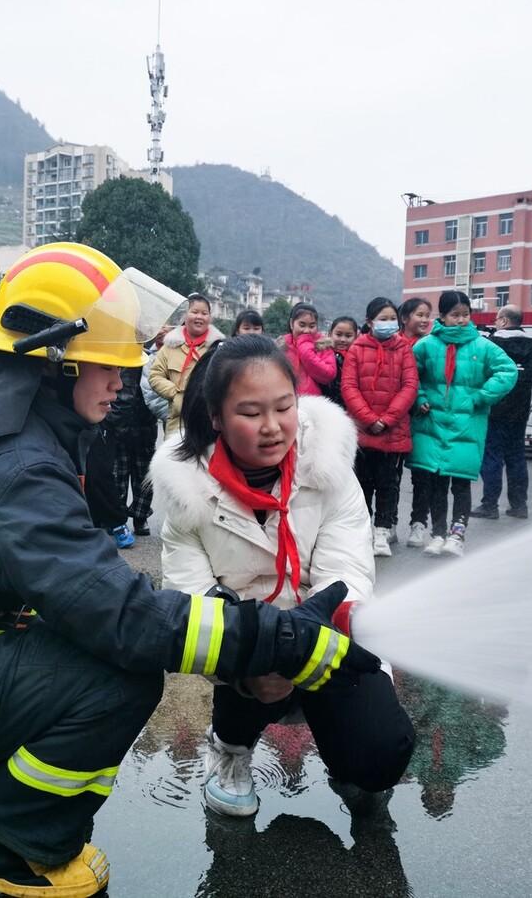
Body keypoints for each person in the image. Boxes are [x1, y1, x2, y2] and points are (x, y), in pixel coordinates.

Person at [0, 243, 378, 898]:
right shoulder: (21, 465)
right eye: (106, 363)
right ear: (53, 365)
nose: (123, 377)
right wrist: (273, 637)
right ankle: (8, 843)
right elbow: (121, 617)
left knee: (61, 638)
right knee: (118, 674)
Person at [150, 333, 414, 820]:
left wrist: (304, 640)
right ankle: (230, 750)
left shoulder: (330, 467)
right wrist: (251, 663)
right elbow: (191, 605)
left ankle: (347, 752)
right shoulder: (184, 495)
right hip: (247, 652)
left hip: (326, 636)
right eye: (250, 413)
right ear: (216, 418)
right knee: (239, 647)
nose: (273, 428)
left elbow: (348, 572)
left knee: (380, 757)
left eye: (284, 407)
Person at [409, 292, 516, 557]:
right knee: (436, 483)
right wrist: (420, 398)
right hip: (432, 424)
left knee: (461, 482)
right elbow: (410, 376)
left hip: (467, 425)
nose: (460, 320)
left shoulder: (482, 346)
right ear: (442, 316)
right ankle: (437, 534)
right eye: (454, 315)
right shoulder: (425, 345)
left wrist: (481, 397)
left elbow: (508, 371)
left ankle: (458, 534)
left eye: (464, 314)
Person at [340, 298, 417, 556]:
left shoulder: (404, 349)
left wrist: (387, 419)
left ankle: (383, 531)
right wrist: (369, 419)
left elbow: (410, 386)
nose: (388, 323)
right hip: (362, 432)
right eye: (382, 319)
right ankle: (363, 532)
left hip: (392, 432)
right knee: (361, 485)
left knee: (388, 485)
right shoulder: (357, 349)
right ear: (369, 321)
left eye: (391, 318)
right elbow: (349, 387)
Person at [474, 305, 532, 520]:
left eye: (496, 319)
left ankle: (490, 505)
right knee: (517, 458)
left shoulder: (494, 343)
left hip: (496, 409)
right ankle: (519, 505)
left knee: (492, 456)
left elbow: (482, 372)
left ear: (503, 320)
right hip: (520, 412)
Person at [148, 293, 220, 434]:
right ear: (185, 316)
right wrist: (176, 394)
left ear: (209, 318)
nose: (199, 317)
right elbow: (155, 376)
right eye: (194, 312)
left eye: (204, 313)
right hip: (177, 422)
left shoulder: (217, 346)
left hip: (208, 421)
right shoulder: (170, 345)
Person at [104, 360, 159, 539]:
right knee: (118, 476)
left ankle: (140, 517)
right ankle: (117, 518)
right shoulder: (121, 360)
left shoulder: (151, 360)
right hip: (119, 426)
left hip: (145, 426)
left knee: (143, 479)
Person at [397, 298, 435, 546]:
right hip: (397, 418)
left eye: (427, 315)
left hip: (423, 418)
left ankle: (418, 524)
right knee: (390, 477)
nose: (424, 320)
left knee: (423, 477)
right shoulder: (394, 345)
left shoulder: (433, 346)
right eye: (419, 314)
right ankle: (386, 523)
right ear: (405, 318)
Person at [322, 315, 359, 406]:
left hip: (350, 406)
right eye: (338, 335)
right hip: (325, 403)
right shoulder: (321, 353)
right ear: (330, 334)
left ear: (356, 337)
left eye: (348, 336)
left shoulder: (359, 358)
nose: (343, 339)